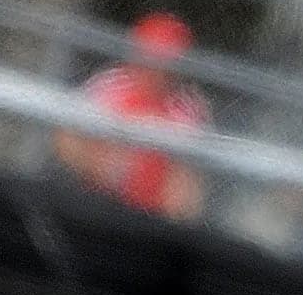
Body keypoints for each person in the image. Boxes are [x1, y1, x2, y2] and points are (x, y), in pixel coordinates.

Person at [54, 12, 211, 221]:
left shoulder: (186, 109)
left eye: (166, 63)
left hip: (147, 220)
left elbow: (187, 190)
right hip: (91, 201)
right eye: (149, 58)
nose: (156, 71)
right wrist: (98, 167)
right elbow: (65, 140)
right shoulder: (110, 87)